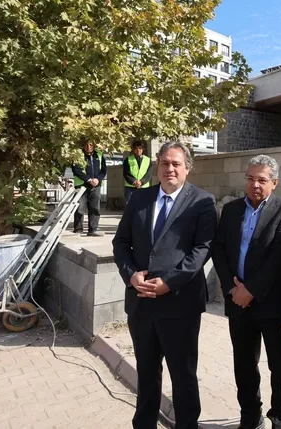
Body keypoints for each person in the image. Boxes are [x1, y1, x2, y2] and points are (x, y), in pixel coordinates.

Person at [112, 141, 217, 429]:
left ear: (187, 169)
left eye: (176, 164)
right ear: (157, 166)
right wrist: (131, 275)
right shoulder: (139, 199)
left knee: (182, 374)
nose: (170, 168)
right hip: (141, 301)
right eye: (164, 163)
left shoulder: (202, 202)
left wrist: (169, 283)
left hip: (179, 304)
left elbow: (202, 250)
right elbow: (121, 243)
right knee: (146, 372)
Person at [210, 155, 281, 429]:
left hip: (272, 304)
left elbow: (278, 257)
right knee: (244, 366)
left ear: (274, 182)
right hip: (238, 303)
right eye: (250, 178)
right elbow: (219, 249)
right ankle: (250, 417)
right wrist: (231, 288)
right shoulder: (232, 209)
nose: (255, 185)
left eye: (261, 180)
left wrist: (251, 290)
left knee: (279, 369)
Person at [71, 139, 107, 237]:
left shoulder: (99, 155)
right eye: (86, 145)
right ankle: (78, 230)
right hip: (82, 185)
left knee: (95, 208)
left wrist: (98, 180)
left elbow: (103, 170)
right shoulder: (78, 154)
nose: (88, 147)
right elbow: (76, 170)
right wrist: (88, 180)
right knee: (79, 208)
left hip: (96, 186)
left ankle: (93, 229)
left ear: (94, 145)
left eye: (91, 145)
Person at [123, 139, 152, 205]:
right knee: (130, 207)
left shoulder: (148, 160)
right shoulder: (128, 159)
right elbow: (126, 173)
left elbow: (149, 174)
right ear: (133, 149)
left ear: (143, 149)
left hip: (144, 187)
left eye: (140, 148)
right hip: (130, 187)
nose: (138, 150)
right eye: (136, 148)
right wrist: (134, 182)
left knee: (143, 206)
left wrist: (141, 182)